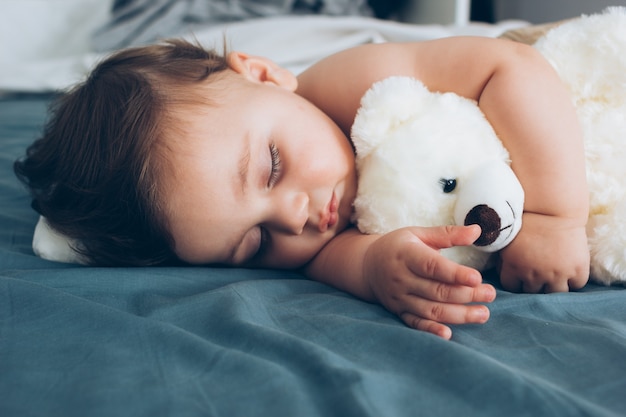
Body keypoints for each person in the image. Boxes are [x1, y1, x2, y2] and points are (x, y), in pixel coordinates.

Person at [14, 37, 590, 340]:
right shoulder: (303, 238)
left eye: (270, 166)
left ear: (265, 76)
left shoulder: (353, 85)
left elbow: (511, 67)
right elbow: (338, 259)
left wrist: (554, 217)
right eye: (255, 243)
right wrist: (375, 269)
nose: (294, 218)